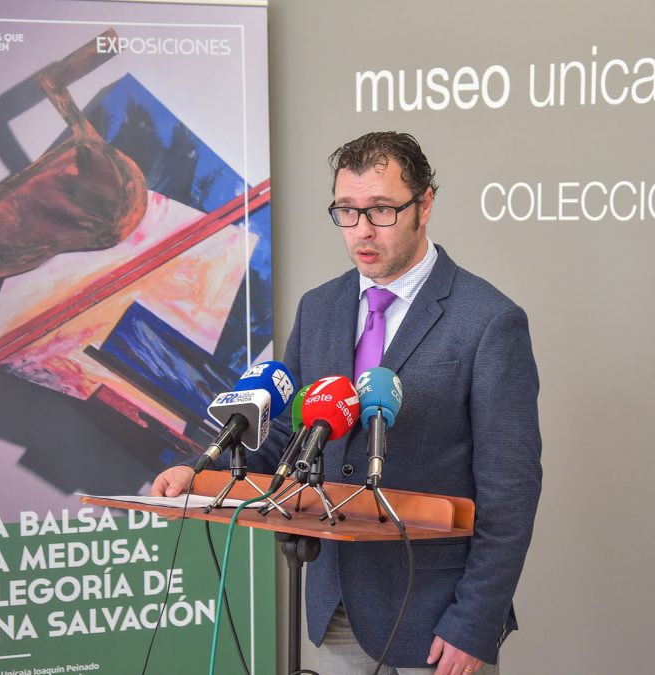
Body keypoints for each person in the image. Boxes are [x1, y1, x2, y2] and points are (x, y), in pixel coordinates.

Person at [152, 131, 542, 674]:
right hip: (334, 601)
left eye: (382, 210)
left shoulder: (489, 321)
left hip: (433, 619)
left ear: (425, 204)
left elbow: (511, 491)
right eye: (347, 211)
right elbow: (292, 437)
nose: (362, 230)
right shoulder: (320, 308)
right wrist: (206, 475)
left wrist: (474, 623)